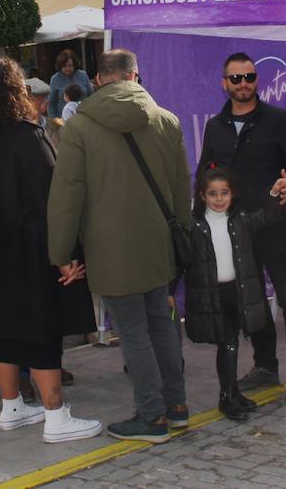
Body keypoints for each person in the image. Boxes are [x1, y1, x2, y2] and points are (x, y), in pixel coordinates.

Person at [48, 48, 190, 444]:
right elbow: (182, 189)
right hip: (159, 241)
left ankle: (152, 416)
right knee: (161, 324)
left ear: (98, 79)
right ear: (135, 76)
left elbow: (67, 196)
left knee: (133, 331)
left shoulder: (80, 127)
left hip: (110, 246)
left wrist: (61, 254)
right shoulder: (167, 121)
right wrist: (182, 238)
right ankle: (176, 406)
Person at [0, 60, 100, 442]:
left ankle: (11, 407)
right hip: (32, 247)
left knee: (8, 329)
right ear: (17, 92)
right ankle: (55, 416)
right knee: (43, 330)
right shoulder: (27, 136)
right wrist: (68, 253)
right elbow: (51, 200)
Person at [197, 52, 286, 401]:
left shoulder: (278, 121)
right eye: (236, 78)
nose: (244, 84)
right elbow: (206, 175)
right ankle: (265, 366)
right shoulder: (215, 127)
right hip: (233, 231)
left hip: (272, 224)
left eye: (249, 77)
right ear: (225, 83)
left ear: (256, 81)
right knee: (252, 301)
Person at [185, 167, 286, 421]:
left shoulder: (239, 219)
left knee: (230, 342)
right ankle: (227, 397)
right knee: (227, 343)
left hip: (236, 290)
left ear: (232, 194)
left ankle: (231, 393)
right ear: (201, 195)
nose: (219, 199)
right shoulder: (194, 225)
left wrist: (275, 195)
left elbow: (265, 216)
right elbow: (181, 261)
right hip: (213, 294)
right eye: (213, 194)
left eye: (224, 193)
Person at [47, 50, 91, 122]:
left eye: (70, 66)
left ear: (74, 65)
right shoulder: (55, 79)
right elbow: (51, 103)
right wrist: (55, 119)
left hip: (84, 118)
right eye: (64, 66)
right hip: (64, 121)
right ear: (60, 66)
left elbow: (91, 96)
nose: (67, 69)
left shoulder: (83, 75)